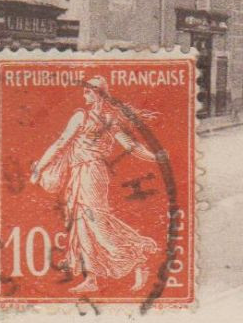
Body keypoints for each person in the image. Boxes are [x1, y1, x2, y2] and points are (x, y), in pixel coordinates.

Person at [29, 77, 161, 294]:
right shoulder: (88, 116)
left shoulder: (104, 118)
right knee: (81, 225)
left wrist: (155, 157)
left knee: (97, 223)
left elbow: (130, 145)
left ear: (99, 94)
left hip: (93, 173)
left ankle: (138, 259)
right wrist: (39, 168)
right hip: (79, 173)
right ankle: (91, 278)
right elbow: (61, 143)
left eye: (89, 93)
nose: (85, 96)